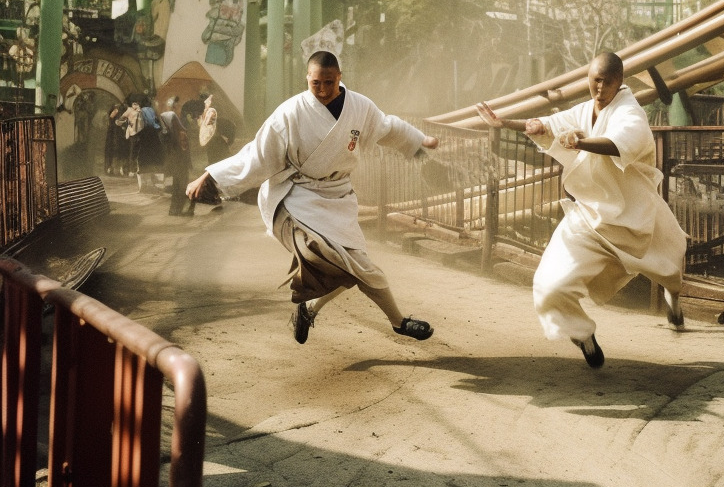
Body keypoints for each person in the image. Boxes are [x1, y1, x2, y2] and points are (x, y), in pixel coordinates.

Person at [186, 50, 439, 343]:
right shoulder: (289, 113)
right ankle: (399, 322)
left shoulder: (360, 107)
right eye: (315, 83)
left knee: (350, 267)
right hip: (298, 197)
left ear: (339, 78)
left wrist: (419, 140)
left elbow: (387, 127)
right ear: (307, 78)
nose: (322, 90)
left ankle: (309, 309)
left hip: (338, 196)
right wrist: (212, 175)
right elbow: (257, 155)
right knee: (337, 260)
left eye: (328, 83)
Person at [476, 51, 686, 369]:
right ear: (588, 78)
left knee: (669, 262)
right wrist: (507, 123)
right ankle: (582, 334)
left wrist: (581, 143)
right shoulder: (585, 110)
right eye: (595, 80)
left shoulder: (631, 113)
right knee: (548, 287)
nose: (600, 88)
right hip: (587, 217)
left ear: (620, 82)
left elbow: (618, 143)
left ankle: (673, 298)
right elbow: (545, 125)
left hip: (632, 215)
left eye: (608, 81)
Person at [160, 95, 193, 217]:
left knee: (177, 185)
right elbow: (184, 147)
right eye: (176, 106)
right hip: (180, 161)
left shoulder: (167, 129)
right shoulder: (178, 128)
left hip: (174, 161)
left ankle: (174, 210)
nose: (177, 109)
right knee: (181, 185)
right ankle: (177, 210)